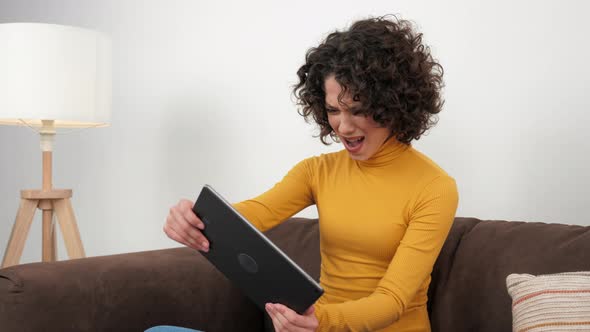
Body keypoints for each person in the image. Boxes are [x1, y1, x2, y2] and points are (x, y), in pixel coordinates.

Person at [150, 14, 458, 332]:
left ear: (393, 105)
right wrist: (196, 219)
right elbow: (253, 215)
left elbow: (393, 300)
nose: (344, 126)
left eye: (358, 109)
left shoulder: (435, 188)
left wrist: (320, 322)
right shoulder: (318, 171)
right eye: (333, 110)